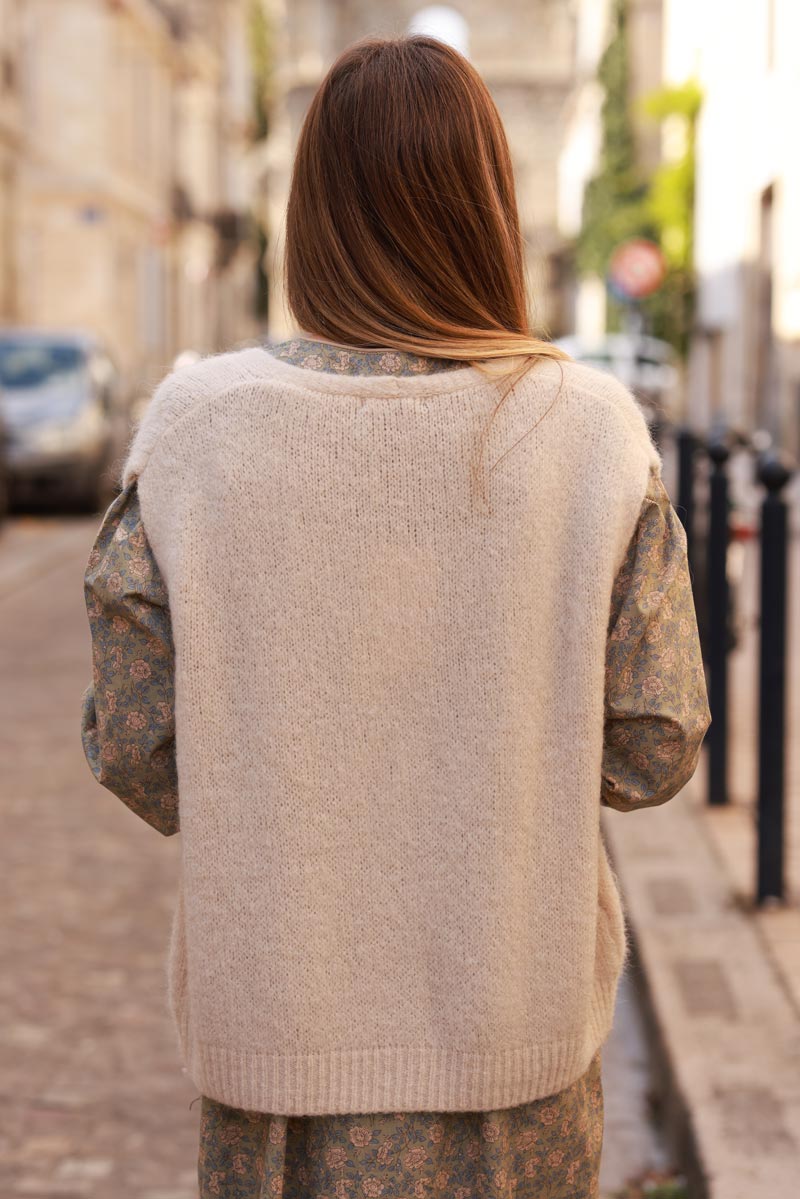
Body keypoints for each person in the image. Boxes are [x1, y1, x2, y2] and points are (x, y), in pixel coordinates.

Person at [80, 33, 710, 1199]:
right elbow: (653, 740)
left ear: (308, 213)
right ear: (490, 208)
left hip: (275, 1043)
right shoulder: (587, 432)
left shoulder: (193, 430)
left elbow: (140, 747)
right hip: (514, 1042)